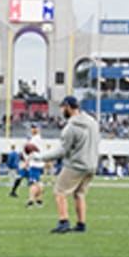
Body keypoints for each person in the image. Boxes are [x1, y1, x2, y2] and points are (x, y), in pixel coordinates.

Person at [38, 96, 100, 233]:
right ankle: (81, 224)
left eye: (62, 107)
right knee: (79, 194)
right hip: (91, 165)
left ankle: (63, 221)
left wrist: (41, 157)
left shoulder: (71, 127)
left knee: (60, 191)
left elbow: (62, 151)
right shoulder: (93, 122)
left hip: (76, 165)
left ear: (68, 107)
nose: (61, 110)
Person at [25, 124, 46, 208]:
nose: (33, 129)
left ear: (39, 129)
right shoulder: (37, 139)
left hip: (35, 164)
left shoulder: (35, 139)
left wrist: (27, 161)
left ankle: (31, 201)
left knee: (33, 183)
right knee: (36, 182)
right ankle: (39, 201)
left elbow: (31, 152)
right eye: (32, 128)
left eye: (35, 128)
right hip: (38, 163)